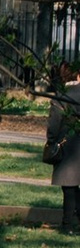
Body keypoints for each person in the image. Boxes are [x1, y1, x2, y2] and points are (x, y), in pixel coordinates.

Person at [49, 69, 80, 236]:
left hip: (67, 143)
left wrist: (51, 140)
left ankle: (67, 224)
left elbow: (54, 122)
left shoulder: (61, 96)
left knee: (69, 186)